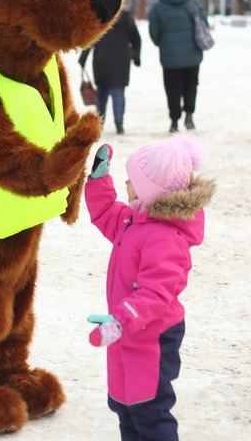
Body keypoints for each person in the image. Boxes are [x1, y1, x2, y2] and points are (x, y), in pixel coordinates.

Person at [84, 137, 215, 441]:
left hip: (153, 335)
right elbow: (105, 213)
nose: (127, 182)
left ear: (151, 191)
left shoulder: (165, 238)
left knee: (149, 410)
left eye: (133, 179)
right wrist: (99, 178)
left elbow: (157, 293)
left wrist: (120, 321)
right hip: (127, 329)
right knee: (125, 406)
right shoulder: (135, 219)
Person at [148, 0, 209, 133]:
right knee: (191, 84)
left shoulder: (159, 7)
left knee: (172, 88)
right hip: (192, 55)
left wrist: (162, 43)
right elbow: (204, 21)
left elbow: (154, 32)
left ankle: (174, 121)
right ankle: (189, 115)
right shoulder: (192, 1)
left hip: (169, 57)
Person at [79, 8, 141, 134]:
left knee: (102, 93)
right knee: (118, 93)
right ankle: (119, 123)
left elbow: (91, 39)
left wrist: (83, 58)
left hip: (102, 60)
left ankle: (100, 122)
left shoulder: (100, 16)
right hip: (121, 62)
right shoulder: (127, 18)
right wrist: (136, 56)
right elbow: (136, 39)